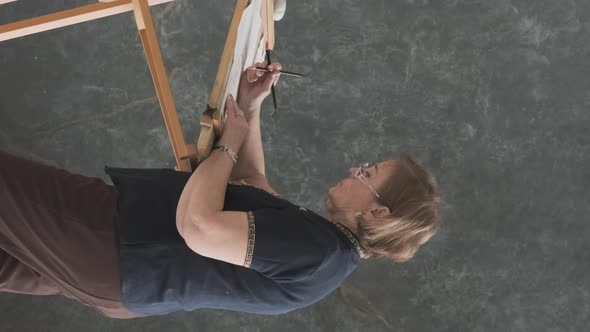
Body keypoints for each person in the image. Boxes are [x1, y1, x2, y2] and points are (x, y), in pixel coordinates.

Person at [0, 62, 441, 319]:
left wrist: (228, 142)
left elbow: (198, 227)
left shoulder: (319, 251)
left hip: (112, 243)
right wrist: (249, 109)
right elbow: (255, 189)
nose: (355, 169)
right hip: (119, 275)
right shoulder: (327, 254)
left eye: (369, 173)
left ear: (380, 213)